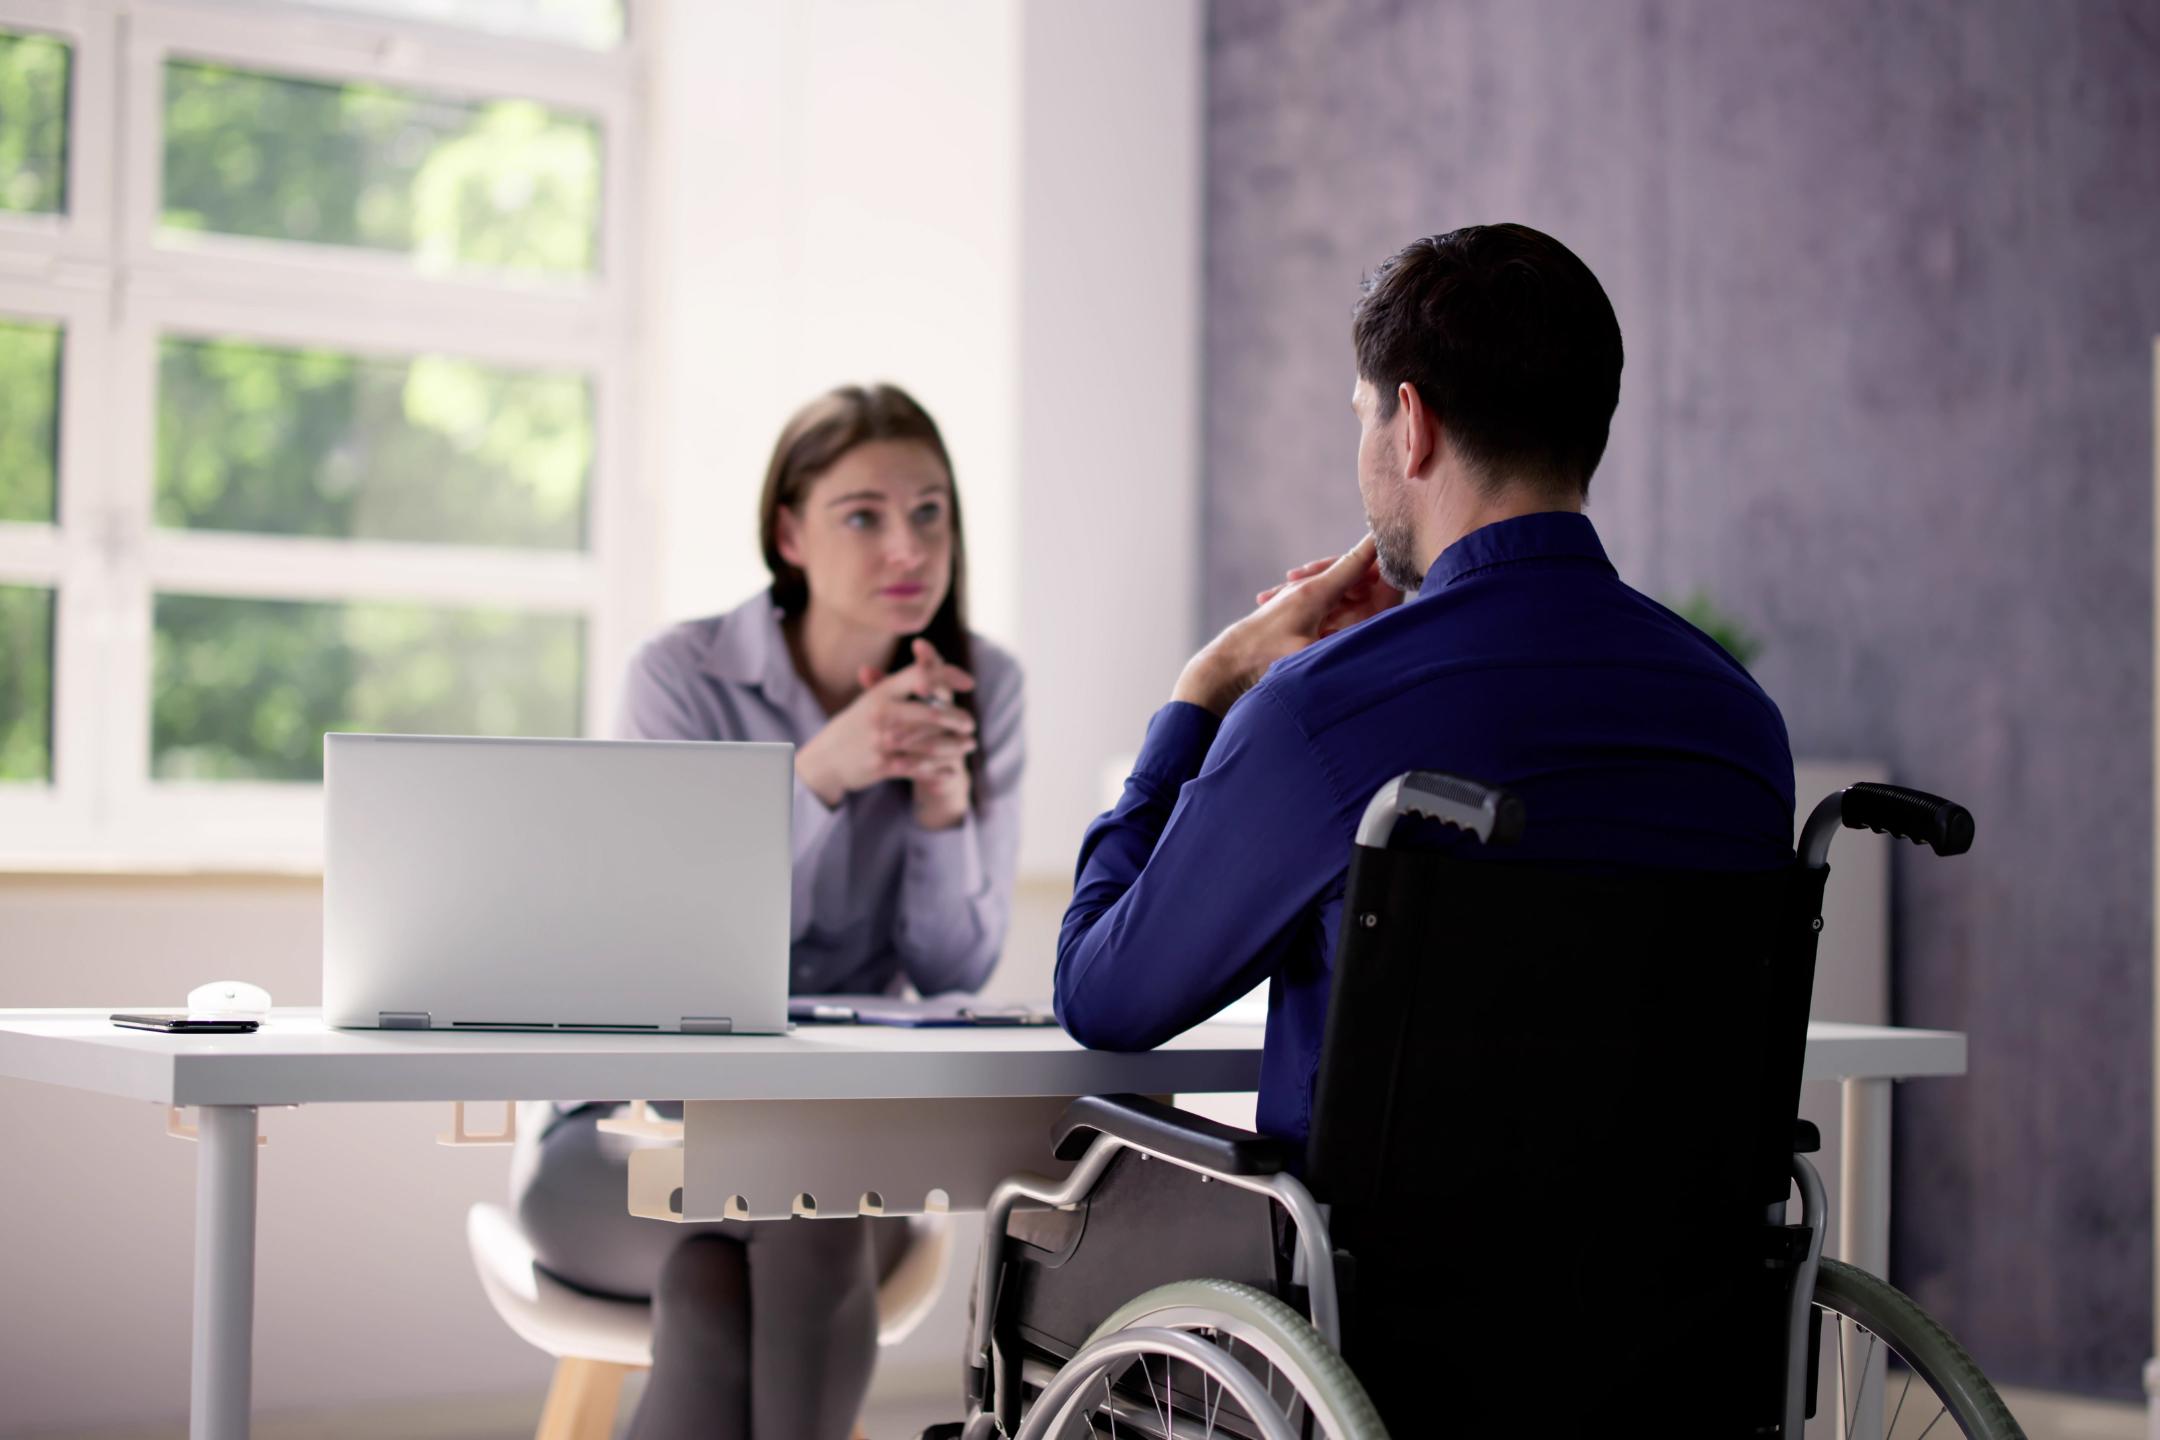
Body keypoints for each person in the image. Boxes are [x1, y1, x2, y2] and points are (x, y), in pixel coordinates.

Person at [1054, 223, 1794, 1153]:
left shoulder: (1316, 717)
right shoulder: (1740, 721)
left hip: (1387, 1293)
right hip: (1673, 1290)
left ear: (1413, 425)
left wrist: (1206, 689)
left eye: (1362, 414)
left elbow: (1102, 993)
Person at [512, 383, 1024, 1439]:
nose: (909, 546)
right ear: (788, 533)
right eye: (864, 515)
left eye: (931, 511)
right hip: (621, 1137)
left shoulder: (986, 688)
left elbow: (953, 972)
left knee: (747, 1259)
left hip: (838, 1151)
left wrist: (941, 814)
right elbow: (659, 944)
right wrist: (820, 776)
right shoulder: (680, 679)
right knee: (792, 1217)